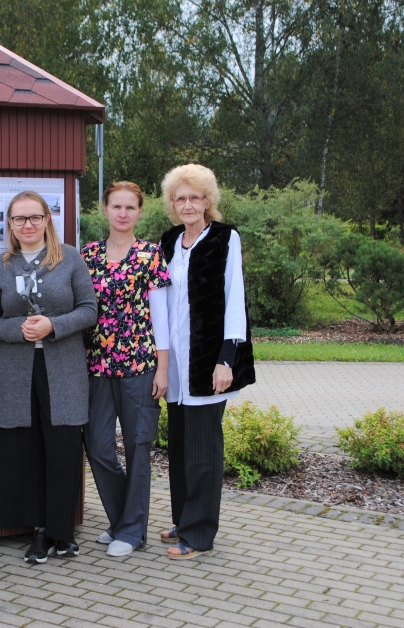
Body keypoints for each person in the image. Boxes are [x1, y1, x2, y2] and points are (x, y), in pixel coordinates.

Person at [0, 191, 97, 564]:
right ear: (10, 225)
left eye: (34, 217)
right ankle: (38, 532)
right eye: (19, 219)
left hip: (63, 370)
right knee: (25, 452)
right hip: (15, 373)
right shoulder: (1, 265)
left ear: (47, 219)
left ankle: (63, 532)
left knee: (62, 449)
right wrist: (21, 330)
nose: (27, 225)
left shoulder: (70, 258)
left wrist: (52, 325)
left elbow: (89, 310)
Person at [158, 164, 255, 560]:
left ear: (207, 201)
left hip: (209, 363)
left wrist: (226, 360)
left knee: (203, 449)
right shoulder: (168, 242)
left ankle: (199, 534)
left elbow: (235, 301)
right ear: (172, 204)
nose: (187, 204)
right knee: (180, 445)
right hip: (176, 365)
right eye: (180, 198)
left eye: (194, 197)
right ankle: (183, 519)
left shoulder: (225, 239)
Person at [82, 181, 171, 558]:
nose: (122, 213)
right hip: (97, 366)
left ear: (139, 212)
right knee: (98, 446)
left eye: (129, 208)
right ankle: (122, 520)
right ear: (105, 210)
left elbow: (161, 317)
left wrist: (162, 370)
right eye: (116, 206)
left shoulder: (151, 255)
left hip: (139, 366)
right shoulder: (87, 256)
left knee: (138, 449)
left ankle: (132, 531)